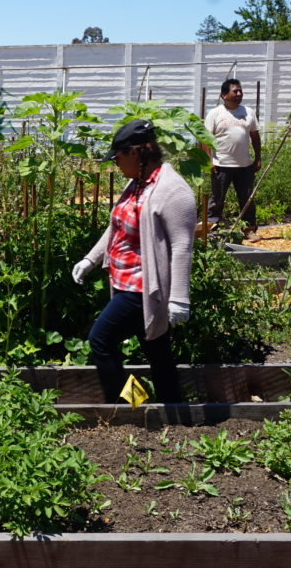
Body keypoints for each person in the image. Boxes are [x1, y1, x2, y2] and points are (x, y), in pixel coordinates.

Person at [71, 119, 196, 403]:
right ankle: (168, 407)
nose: (116, 164)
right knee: (157, 350)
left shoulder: (173, 190)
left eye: (118, 157)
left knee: (100, 340)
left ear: (136, 152)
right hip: (125, 280)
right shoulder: (137, 184)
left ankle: (134, 404)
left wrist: (179, 298)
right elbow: (117, 227)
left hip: (144, 288)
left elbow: (181, 247)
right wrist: (90, 260)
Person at [204, 78, 262, 242]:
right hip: (221, 165)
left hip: (244, 166)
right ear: (224, 95)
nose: (239, 94)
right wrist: (208, 161)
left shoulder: (248, 112)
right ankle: (212, 229)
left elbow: (255, 136)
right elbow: (206, 139)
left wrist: (258, 157)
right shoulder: (215, 113)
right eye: (235, 91)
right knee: (217, 199)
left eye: (240, 91)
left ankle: (249, 230)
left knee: (247, 199)